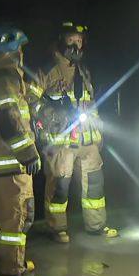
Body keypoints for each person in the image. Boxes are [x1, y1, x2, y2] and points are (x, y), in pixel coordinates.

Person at [29, 22, 118, 243]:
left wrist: (98, 133)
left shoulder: (83, 71)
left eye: (79, 41)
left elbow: (91, 103)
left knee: (95, 185)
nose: (76, 45)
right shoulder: (47, 70)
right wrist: (52, 115)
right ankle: (56, 228)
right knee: (59, 187)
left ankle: (96, 226)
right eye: (71, 40)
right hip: (61, 141)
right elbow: (30, 100)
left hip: (88, 141)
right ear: (61, 40)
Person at [0, 25, 42, 276]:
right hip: (12, 163)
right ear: (10, 52)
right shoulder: (4, 79)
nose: (22, 54)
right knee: (17, 216)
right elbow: (8, 120)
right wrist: (28, 153)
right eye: (19, 49)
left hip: (1, 164)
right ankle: (12, 271)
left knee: (1, 216)